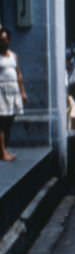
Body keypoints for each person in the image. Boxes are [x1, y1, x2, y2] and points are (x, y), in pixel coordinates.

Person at [0, 28, 27, 162]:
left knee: (9, 120)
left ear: (9, 40)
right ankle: (2, 152)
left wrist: (23, 92)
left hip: (13, 90)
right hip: (1, 91)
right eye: (0, 40)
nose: (2, 42)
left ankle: (4, 148)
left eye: (4, 40)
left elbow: (19, 74)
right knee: (1, 122)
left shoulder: (13, 55)